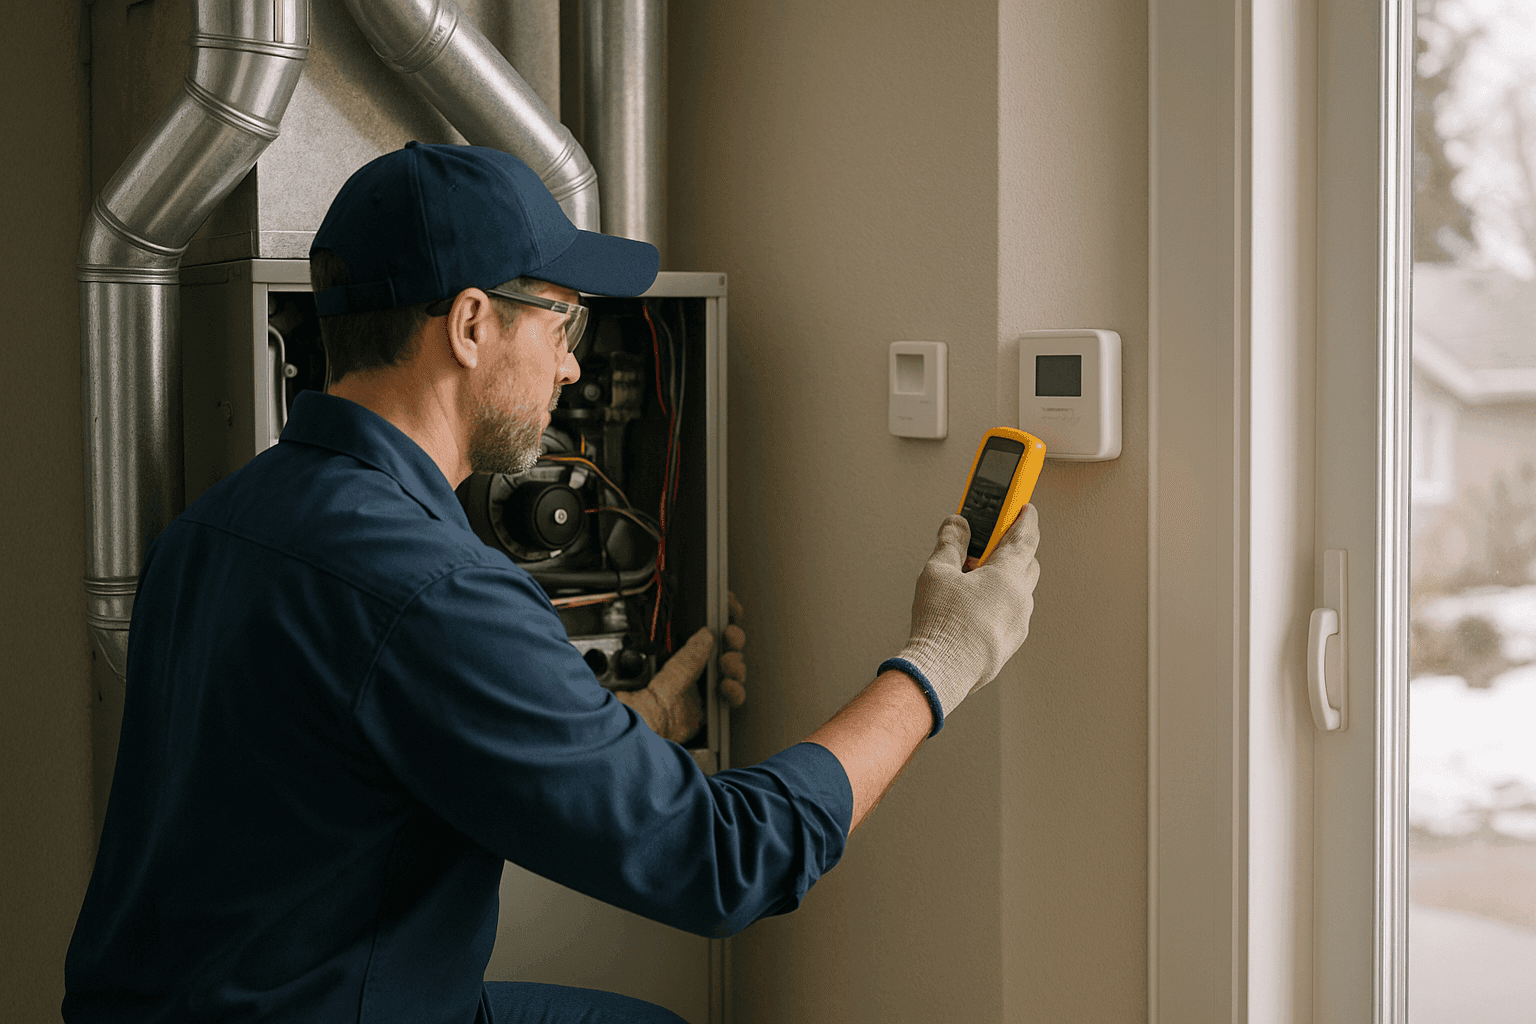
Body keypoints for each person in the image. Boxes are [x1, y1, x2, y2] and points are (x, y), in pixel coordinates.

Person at [62, 142, 1041, 1024]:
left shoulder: (217, 525)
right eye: (563, 319)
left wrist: (637, 719)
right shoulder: (428, 588)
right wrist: (942, 658)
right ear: (474, 323)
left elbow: (344, 763)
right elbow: (724, 862)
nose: (573, 367)